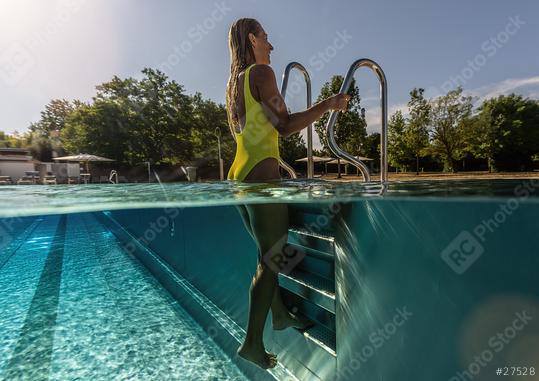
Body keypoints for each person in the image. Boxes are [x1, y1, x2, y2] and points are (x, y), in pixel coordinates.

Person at [225, 18, 350, 369]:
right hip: (261, 175)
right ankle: (251, 343)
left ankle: (280, 314)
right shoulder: (262, 73)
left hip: (240, 174)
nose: (271, 44)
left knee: (267, 254)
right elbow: (285, 125)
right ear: (253, 39)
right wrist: (327, 104)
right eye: (266, 37)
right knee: (273, 258)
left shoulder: (236, 82)